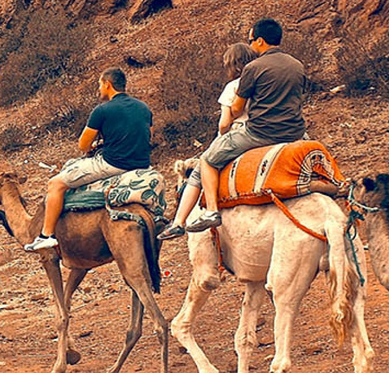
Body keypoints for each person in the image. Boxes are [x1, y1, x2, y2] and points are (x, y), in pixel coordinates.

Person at [185, 18, 309, 233]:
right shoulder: (297, 65)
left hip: (261, 132)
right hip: (296, 131)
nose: (251, 45)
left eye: (251, 41)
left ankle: (212, 211)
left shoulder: (254, 67)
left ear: (260, 41)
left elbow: (236, 109)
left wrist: (232, 107)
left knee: (207, 160)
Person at [24, 67, 153, 252]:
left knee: (55, 184)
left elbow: (83, 145)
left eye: (100, 85)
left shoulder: (102, 110)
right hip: (141, 164)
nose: (99, 89)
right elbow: (148, 137)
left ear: (108, 85)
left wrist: (95, 146)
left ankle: (47, 235)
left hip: (113, 164)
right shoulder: (144, 108)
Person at [158, 42, 257, 240]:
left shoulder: (233, 87)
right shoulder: (261, 83)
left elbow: (223, 124)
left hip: (240, 134)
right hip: (263, 131)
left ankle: (179, 222)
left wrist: (222, 133)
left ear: (232, 65)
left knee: (199, 172)